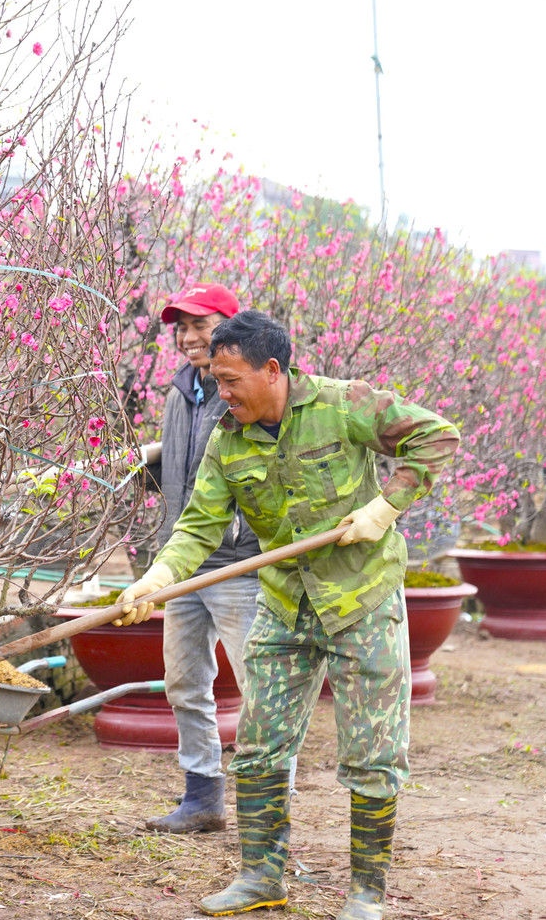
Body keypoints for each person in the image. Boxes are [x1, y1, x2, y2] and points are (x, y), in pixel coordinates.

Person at [116, 310, 459, 920]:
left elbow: (437, 435)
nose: (220, 392)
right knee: (259, 745)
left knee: (373, 753)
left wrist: (386, 505)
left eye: (231, 379)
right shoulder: (229, 438)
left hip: (362, 599)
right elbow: (198, 526)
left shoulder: (343, 405)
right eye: (215, 381)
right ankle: (260, 877)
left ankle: (365, 893)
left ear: (272, 370)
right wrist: (160, 577)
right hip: (283, 600)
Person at [134, 283, 264, 834]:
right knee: (185, 683)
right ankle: (202, 797)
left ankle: (264, 805)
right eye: (180, 327)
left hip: (239, 564)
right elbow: (187, 470)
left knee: (261, 688)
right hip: (182, 561)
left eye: (200, 324)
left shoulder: (245, 391)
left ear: (229, 328)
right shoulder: (179, 391)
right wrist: (149, 461)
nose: (189, 337)